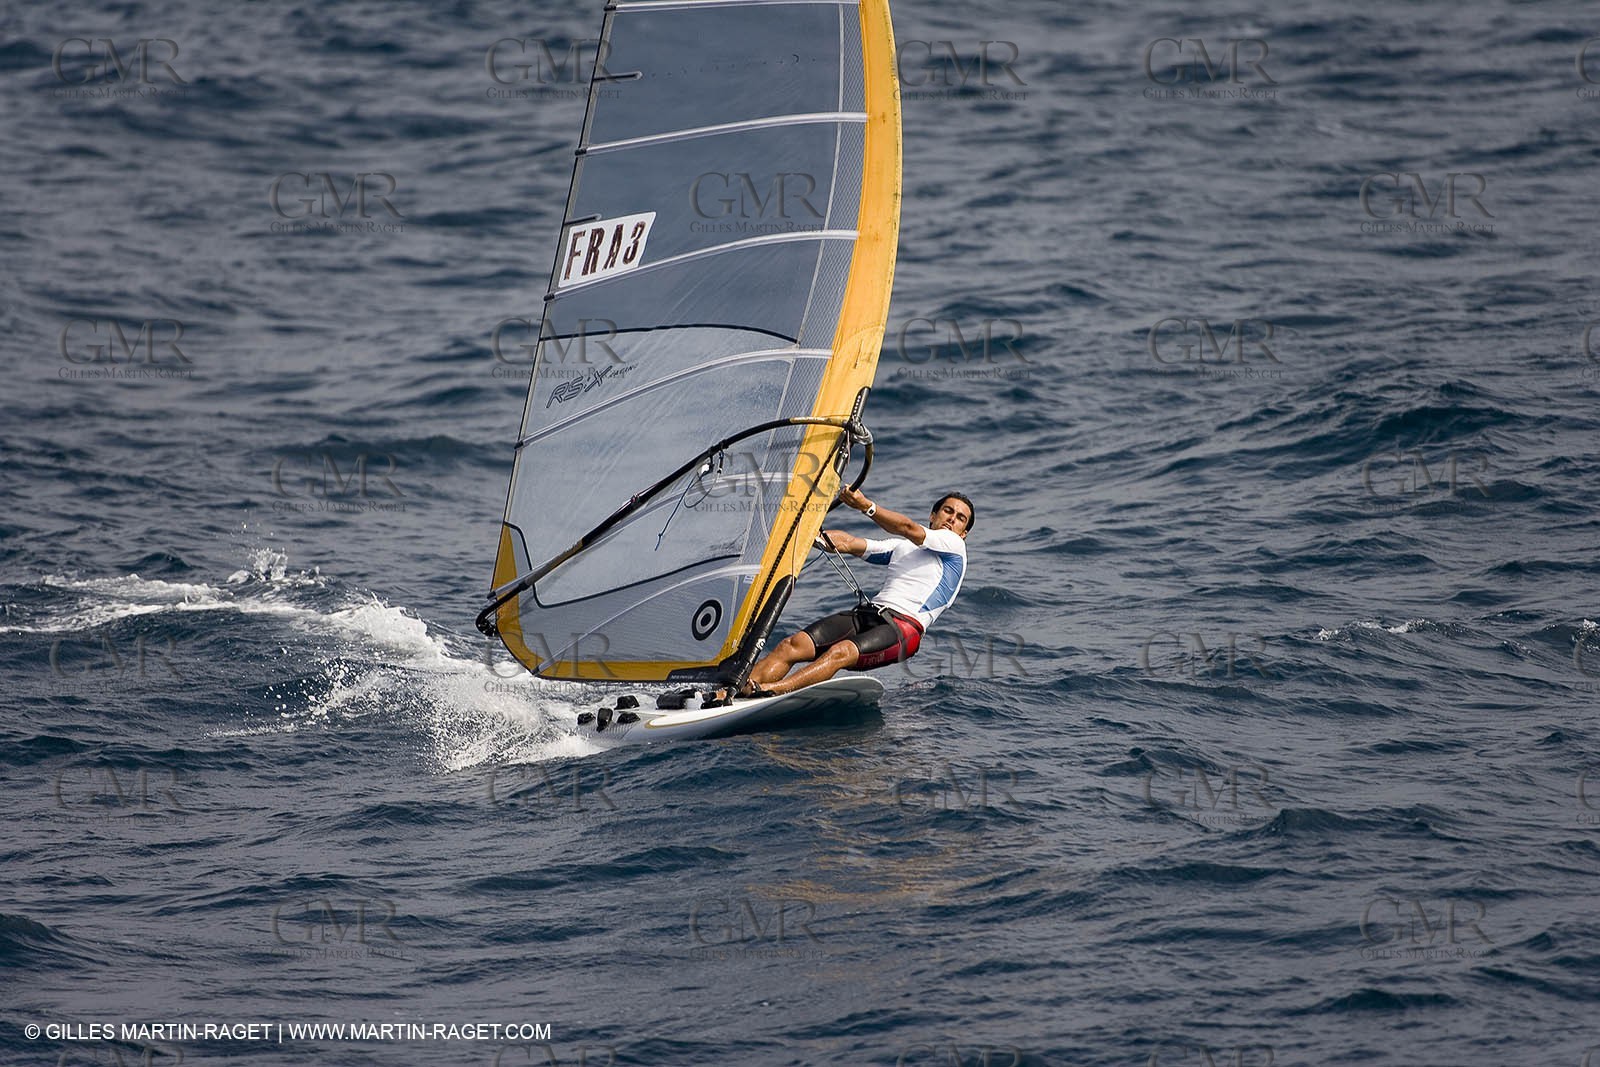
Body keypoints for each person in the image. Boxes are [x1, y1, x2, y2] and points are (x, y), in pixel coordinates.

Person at [678, 488, 972, 706]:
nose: (952, 519)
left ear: (964, 533)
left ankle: (772, 690)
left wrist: (866, 506)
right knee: (792, 645)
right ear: (933, 515)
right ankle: (733, 691)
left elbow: (908, 528)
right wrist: (807, 534)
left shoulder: (954, 548)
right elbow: (849, 543)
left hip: (904, 630)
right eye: (947, 511)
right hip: (871, 614)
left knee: (840, 652)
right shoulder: (902, 548)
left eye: (960, 518)